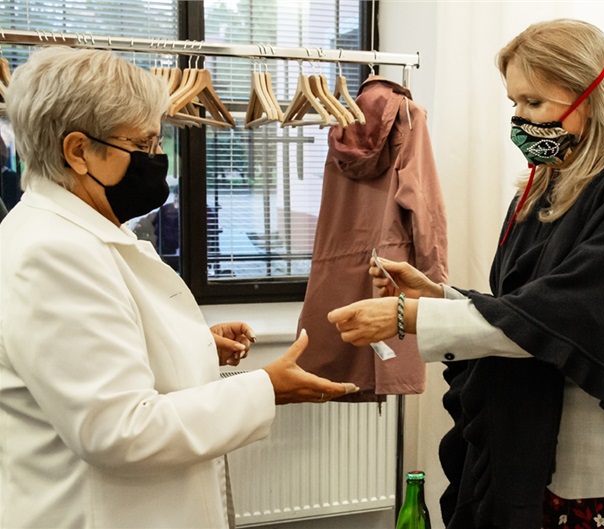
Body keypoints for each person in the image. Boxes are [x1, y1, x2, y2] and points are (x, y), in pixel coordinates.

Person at [328, 19, 604, 529]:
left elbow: (572, 315)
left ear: (592, 97)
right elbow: (526, 308)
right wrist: (438, 296)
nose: (518, 117)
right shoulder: (540, 191)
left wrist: (412, 316)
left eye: (534, 102)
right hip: (544, 465)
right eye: (514, 102)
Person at [0, 46, 358, 529]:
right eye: (143, 144)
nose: (158, 159)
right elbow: (118, 430)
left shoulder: (81, 229)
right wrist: (266, 389)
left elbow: (98, 356)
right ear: (78, 151)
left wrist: (193, 345)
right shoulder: (52, 252)